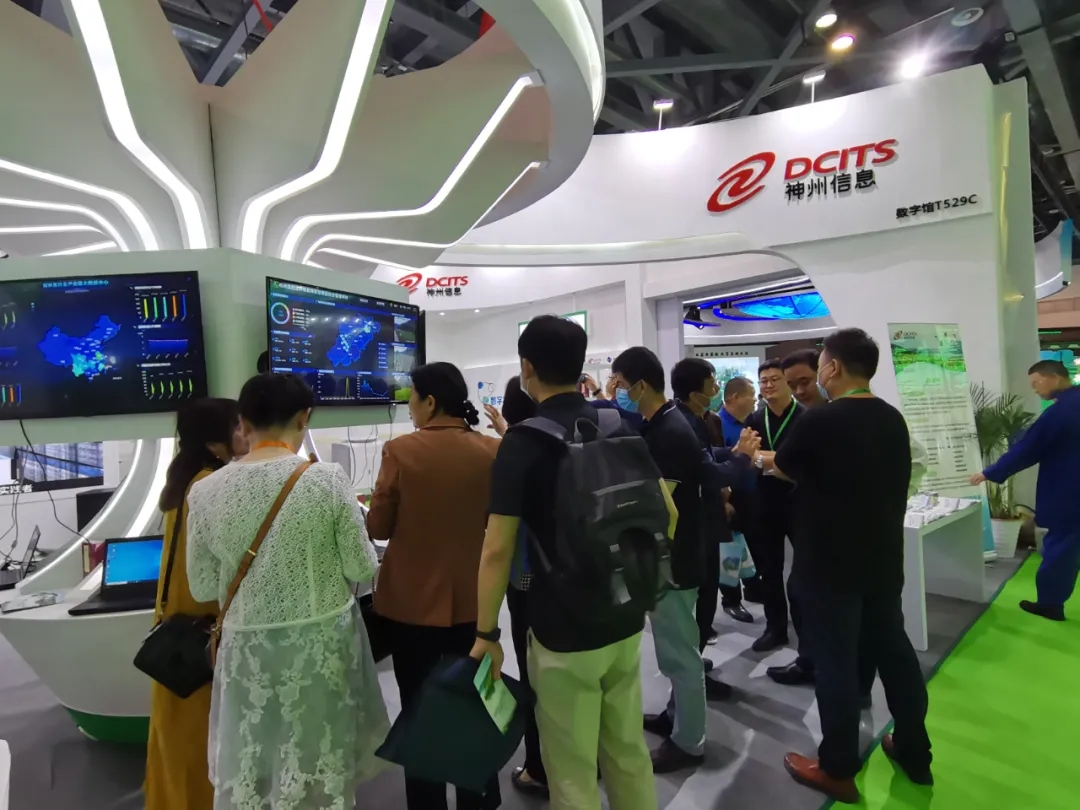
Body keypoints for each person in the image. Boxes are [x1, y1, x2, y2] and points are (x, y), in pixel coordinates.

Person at [471, 316, 658, 810]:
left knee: (571, 771)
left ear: (527, 368)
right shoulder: (616, 423)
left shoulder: (524, 441)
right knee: (628, 750)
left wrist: (487, 633)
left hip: (562, 625)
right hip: (625, 609)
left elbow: (496, 549)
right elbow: (666, 511)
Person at [186, 373, 388, 810]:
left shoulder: (203, 492)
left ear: (243, 423)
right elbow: (361, 566)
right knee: (319, 760)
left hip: (247, 647)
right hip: (319, 644)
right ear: (304, 418)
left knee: (255, 764)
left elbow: (201, 585)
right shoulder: (326, 479)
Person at [773, 328, 932, 804]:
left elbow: (785, 465)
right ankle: (914, 750)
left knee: (836, 664)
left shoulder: (821, 419)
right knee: (895, 654)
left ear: (833, 367)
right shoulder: (891, 418)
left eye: (820, 363)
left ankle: (838, 768)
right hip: (882, 561)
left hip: (829, 567)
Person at [611, 348, 759, 772]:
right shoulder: (665, 423)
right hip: (674, 553)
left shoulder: (669, 431)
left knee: (680, 654)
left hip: (674, 557)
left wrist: (740, 459)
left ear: (640, 385)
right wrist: (737, 455)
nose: (615, 391)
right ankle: (676, 717)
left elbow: (690, 484)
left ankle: (689, 741)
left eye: (619, 384)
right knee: (676, 648)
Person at [367, 362, 501, 809]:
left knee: (419, 710)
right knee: (473, 704)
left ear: (429, 401)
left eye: (411, 397)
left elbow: (379, 527)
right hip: (474, 603)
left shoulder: (400, 451)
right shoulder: (491, 450)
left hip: (411, 607)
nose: (408, 406)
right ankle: (477, 799)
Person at [145, 398, 248, 810]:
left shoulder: (183, 481)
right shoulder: (212, 486)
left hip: (176, 625)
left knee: (179, 736)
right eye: (238, 427)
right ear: (213, 440)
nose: (245, 434)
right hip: (205, 629)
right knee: (204, 740)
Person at [971, 359, 1080, 621]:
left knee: (1061, 549)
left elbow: (1028, 449)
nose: (1035, 389)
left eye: (1036, 383)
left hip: (1069, 494)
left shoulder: (1060, 413)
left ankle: (1050, 604)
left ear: (1053, 378)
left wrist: (989, 472)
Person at [488, 376, 550, 798]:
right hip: (574, 580)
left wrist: (484, 629)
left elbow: (498, 546)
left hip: (526, 579)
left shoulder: (515, 451)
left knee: (532, 676)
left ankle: (538, 768)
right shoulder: (574, 434)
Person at [670, 358, 754, 651]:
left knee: (705, 595)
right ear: (696, 394)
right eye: (713, 385)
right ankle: (693, 666)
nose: (718, 390)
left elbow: (703, 456)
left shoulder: (694, 419)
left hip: (702, 523)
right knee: (701, 598)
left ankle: (696, 659)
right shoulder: (682, 425)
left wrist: (731, 452)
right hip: (695, 526)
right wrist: (742, 457)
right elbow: (710, 474)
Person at [744, 360, 805, 652]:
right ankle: (775, 628)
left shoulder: (805, 418)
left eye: (774, 379)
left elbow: (804, 464)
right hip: (764, 501)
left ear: (787, 383)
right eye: (763, 380)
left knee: (803, 572)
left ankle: (807, 628)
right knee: (769, 570)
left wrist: (765, 458)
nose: (768, 385)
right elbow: (748, 458)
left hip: (799, 502)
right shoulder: (755, 419)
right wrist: (775, 461)